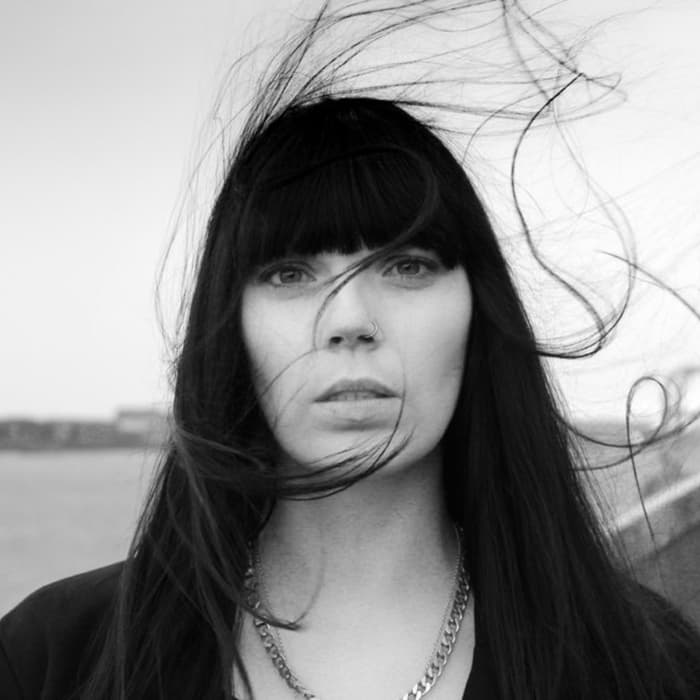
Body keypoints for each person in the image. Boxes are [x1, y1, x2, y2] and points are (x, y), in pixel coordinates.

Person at [1, 2, 699, 699]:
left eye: (407, 266)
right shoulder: (50, 657)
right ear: (230, 327)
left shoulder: (643, 665)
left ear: (477, 314)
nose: (350, 321)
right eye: (290, 274)